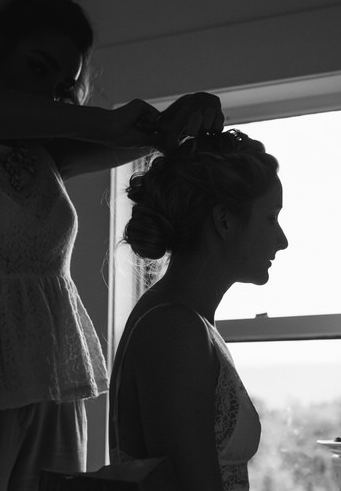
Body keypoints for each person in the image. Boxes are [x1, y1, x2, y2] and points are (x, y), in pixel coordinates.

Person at [0, 0, 224, 491]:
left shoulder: (46, 156)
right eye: (38, 68)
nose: (49, 95)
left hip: (53, 387)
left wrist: (188, 112)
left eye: (63, 88)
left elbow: (151, 136)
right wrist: (95, 120)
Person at [109, 130, 289, 491]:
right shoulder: (174, 329)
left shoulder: (187, 320)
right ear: (224, 221)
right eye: (271, 218)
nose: (282, 240)